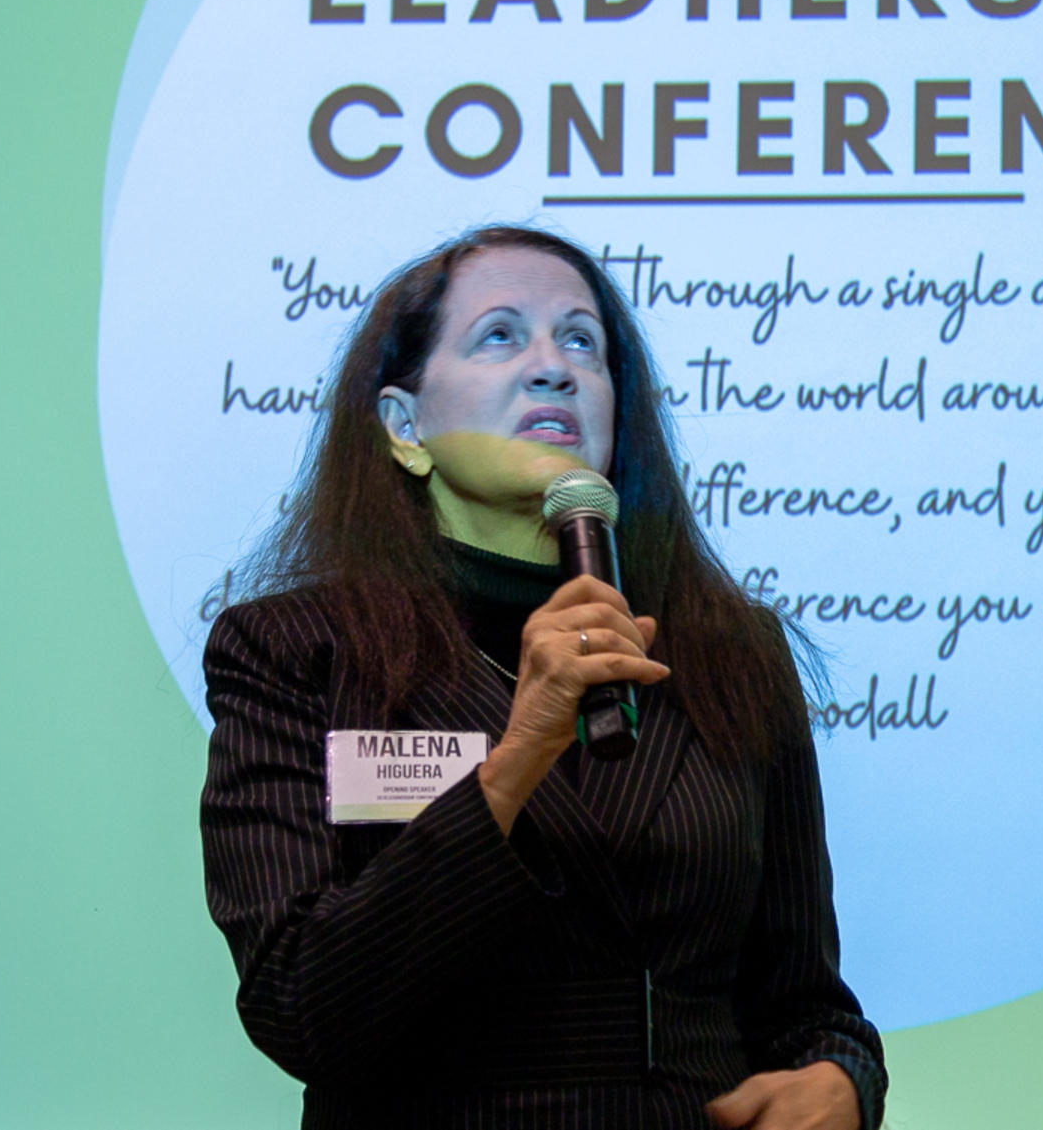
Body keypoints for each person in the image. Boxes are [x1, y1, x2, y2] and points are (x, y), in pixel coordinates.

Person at [200, 225, 885, 1129]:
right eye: (500, 335)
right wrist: (518, 754)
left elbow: (804, 1005)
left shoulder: (732, 654)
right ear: (405, 427)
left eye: (581, 342)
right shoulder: (295, 650)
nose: (553, 367)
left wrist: (843, 1080)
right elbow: (300, 1005)